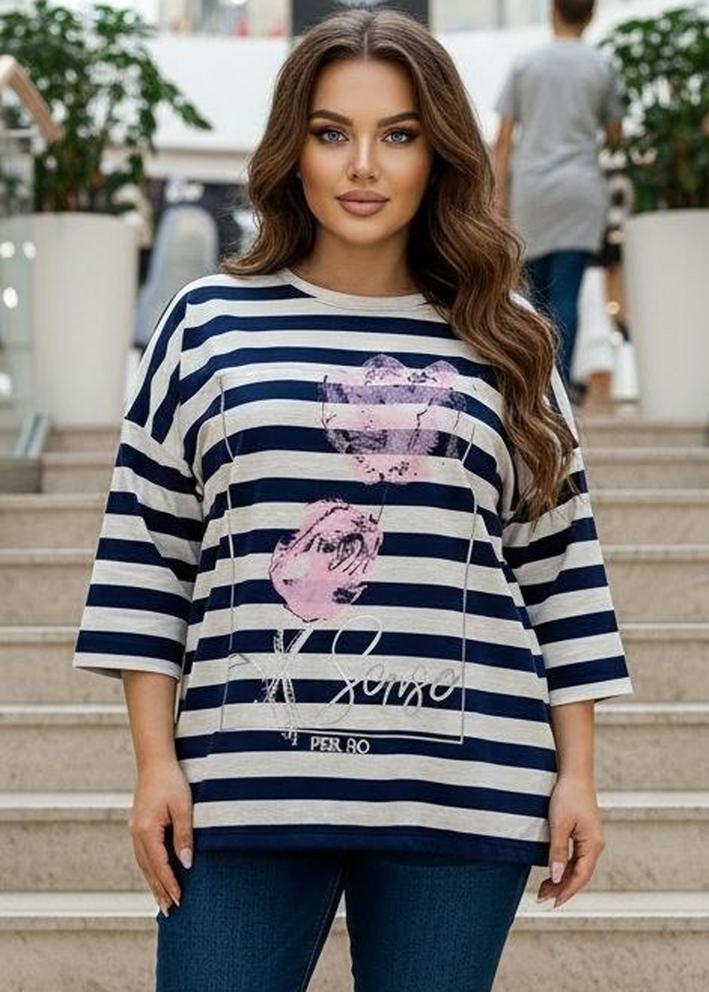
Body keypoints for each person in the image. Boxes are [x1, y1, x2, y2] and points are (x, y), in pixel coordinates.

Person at [71, 7, 633, 991]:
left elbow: (560, 569)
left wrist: (576, 775)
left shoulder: (505, 337)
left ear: (439, 152)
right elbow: (146, 561)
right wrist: (155, 764)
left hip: (465, 787)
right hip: (240, 785)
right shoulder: (207, 325)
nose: (363, 166)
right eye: (332, 132)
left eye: (398, 135)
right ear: (292, 149)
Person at [492, 0, 624, 406]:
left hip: (533, 191)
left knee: (532, 294)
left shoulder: (526, 64)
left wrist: (499, 196)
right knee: (567, 290)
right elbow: (615, 133)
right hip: (580, 189)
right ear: (591, 16)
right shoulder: (602, 66)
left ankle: (533, 388)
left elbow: (503, 139)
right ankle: (560, 389)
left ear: (552, 12)